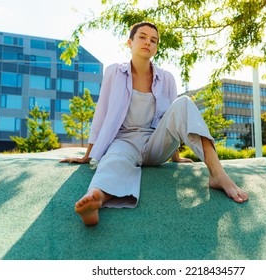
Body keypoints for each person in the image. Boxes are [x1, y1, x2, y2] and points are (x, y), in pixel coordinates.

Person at [60, 22, 248, 226]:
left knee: (183, 103)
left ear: (156, 47)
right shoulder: (114, 72)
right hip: (124, 141)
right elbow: (102, 112)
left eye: (153, 40)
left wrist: (175, 157)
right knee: (112, 161)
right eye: (142, 37)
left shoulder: (166, 78)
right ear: (130, 42)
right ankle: (95, 199)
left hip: (156, 143)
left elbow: (175, 118)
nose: (148, 42)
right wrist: (89, 154)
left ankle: (218, 175)